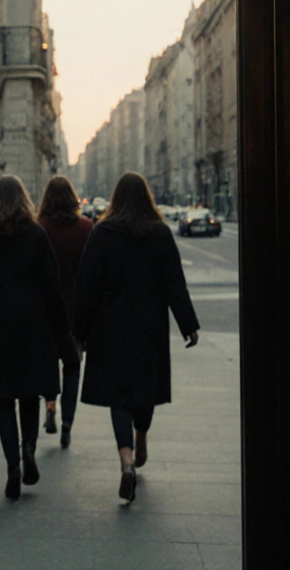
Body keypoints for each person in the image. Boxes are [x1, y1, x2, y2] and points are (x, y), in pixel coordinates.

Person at [72, 172, 199, 503]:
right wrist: (188, 324)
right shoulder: (159, 233)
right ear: (147, 198)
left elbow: (87, 287)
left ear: (115, 199)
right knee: (145, 391)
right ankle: (142, 435)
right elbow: (175, 282)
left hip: (109, 329)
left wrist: (78, 333)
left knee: (119, 398)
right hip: (149, 329)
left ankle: (126, 462)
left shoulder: (102, 233)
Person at [0, 175, 74, 500]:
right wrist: (59, 328)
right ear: (24, 200)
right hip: (33, 328)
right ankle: (28, 449)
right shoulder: (36, 234)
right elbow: (51, 286)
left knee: (3, 398)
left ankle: (12, 463)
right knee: (29, 396)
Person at [36, 175, 94, 449]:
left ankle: (49, 405)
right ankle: (68, 421)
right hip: (76, 310)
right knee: (72, 366)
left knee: (47, 362)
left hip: (46, 308)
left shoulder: (40, 228)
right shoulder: (86, 228)